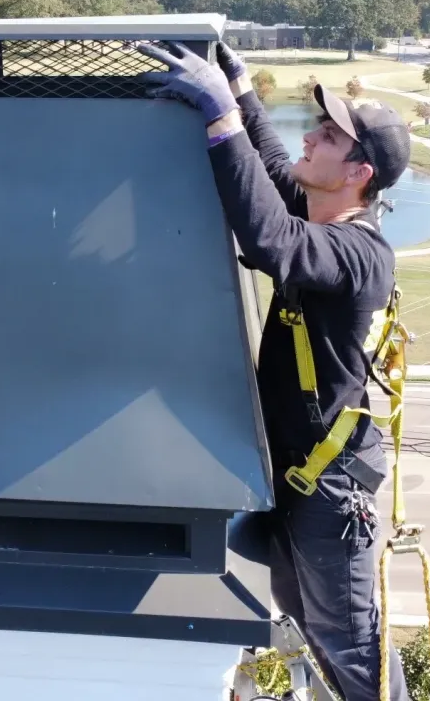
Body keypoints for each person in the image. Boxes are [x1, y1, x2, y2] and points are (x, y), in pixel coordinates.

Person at [138, 40, 412, 701]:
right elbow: (274, 180)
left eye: (329, 135)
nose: (312, 137)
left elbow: (270, 240)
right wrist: (240, 94)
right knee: (318, 627)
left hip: (329, 491)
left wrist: (219, 119)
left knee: (351, 645)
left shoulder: (358, 255)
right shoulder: (324, 216)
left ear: (360, 173)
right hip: (303, 483)